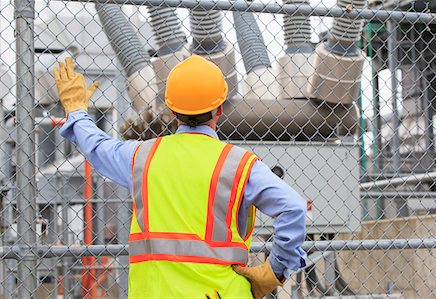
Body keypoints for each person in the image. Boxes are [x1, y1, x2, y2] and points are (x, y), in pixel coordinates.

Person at [54, 56, 307, 298]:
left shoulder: (142, 156)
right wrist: (274, 270)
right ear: (220, 108)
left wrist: (77, 112)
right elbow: (293, 208)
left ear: (172, 110)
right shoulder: (240, 165)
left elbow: (97, 147)